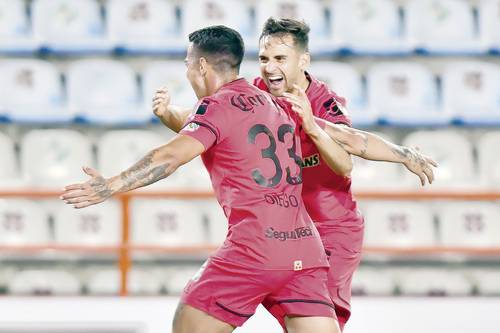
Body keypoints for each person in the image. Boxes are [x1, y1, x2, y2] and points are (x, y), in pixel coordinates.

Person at [60, 25, 356, 333]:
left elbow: (171, 156)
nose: (188, 73)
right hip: (305, 252)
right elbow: (351, 144)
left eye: (188, 65)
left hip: (253, 249)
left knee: (187, 325)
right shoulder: (276, 104)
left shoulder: (217, 104)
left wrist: (112, 184)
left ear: (201, 66)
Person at [152, 18, 437, 332]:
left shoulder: (325, 104)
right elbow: (210, 128)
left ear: (303, 61)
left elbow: (346, 161)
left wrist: (316, 128)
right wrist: (169, 113)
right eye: (263, 58)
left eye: (279, 59)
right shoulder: (256, 93)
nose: (269, 67)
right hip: (282, 231)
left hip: (330, 230)